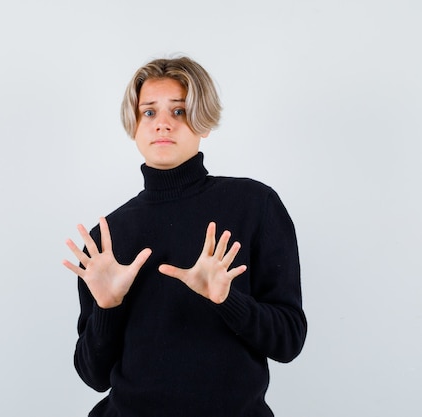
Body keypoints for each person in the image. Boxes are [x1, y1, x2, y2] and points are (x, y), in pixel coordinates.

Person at [62, 56, 307, 417]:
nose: (162, 124)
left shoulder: (255, 205)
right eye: (149, 112)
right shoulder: (107, 239)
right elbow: (94, 375)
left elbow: (288, 341)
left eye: (178, 112)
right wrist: (107, 307)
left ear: (203, 122)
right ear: (134, 125)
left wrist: (227, 300)